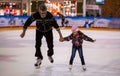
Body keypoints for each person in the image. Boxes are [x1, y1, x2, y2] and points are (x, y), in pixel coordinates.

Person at [20, 4, 63, 68]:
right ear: (39, 11)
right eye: (42, 13)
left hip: (48, 31)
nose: (43, 14)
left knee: (50, 45)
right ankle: (39, 58)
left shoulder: (50, 16)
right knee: (37, 45)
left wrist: (61, 36)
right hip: (39, 31)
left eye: (44, 13)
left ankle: (50, 55)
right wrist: (23, 32)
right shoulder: (35, 15)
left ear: (46, 11)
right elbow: (27, 22)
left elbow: (56, 26)